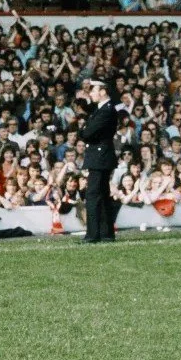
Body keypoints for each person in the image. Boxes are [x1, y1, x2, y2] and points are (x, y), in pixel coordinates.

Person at [79, 80, 117, 243]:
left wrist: (83, 131)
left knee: (93, 195)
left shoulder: (106, 110)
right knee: (102, 194)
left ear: (102, 91)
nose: (91, 94)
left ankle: (93, 234)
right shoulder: (103, 109)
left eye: (93, 91)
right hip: (101, 156)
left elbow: (87, 133)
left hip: (99, 157)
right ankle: (106, 233)